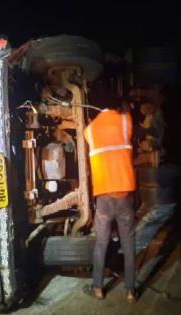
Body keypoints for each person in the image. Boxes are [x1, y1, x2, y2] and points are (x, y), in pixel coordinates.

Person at [83, 92, 137, 303]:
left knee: (101, 243)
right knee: (129, 242)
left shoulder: (89, 130)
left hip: (103, 196)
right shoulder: (125, 121)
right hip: (124, 193)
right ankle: (131, 291)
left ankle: (98, 288)